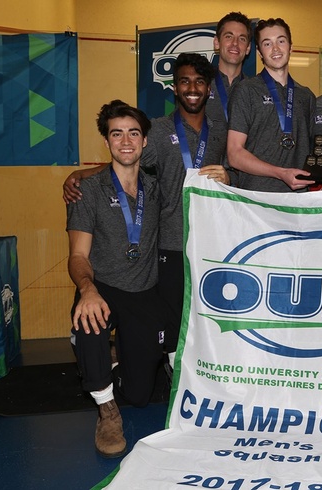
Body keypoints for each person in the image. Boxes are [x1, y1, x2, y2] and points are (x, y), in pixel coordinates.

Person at [63, 54, 230, 367]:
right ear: (174, 88)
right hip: (169, 242)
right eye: (184, 81)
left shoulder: (220, 130)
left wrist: (228, 175)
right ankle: (167, 371)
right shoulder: (158, 130)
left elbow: (230, 173)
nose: (192, 88)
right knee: (171, 320)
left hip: (210, 243)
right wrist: (80, 175)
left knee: (206, 316)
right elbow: (125, 159)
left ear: (209, 90)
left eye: (199, 82)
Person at [67, 100, 165, 458]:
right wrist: (87, 289)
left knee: (139, 395)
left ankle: (114, 357)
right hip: (103, 287)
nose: (126, 141)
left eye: (133, 133)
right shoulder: (86, 191)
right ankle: (106, 409)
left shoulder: (157, 186)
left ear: (144, 141)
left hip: (143, 291)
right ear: (107, 142)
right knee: (89, 316)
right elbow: (78, 256)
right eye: (116, 133)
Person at [227, 17, 316, 192]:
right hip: (257, 199)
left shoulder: (306, 96)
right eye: (267, 44)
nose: (275, 49)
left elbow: (314, 152)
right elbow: (234, 154)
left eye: (281, 41)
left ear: (290, 46)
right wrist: (280, 173)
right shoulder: (246, 90)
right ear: (259, 52)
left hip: (298, 199)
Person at [207, 11, 252, 126]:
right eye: (229, 36)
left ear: (248, 48)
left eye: (242, 39)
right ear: (217, 42)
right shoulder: (200, 84)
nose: (235, 43)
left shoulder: (255, 90)